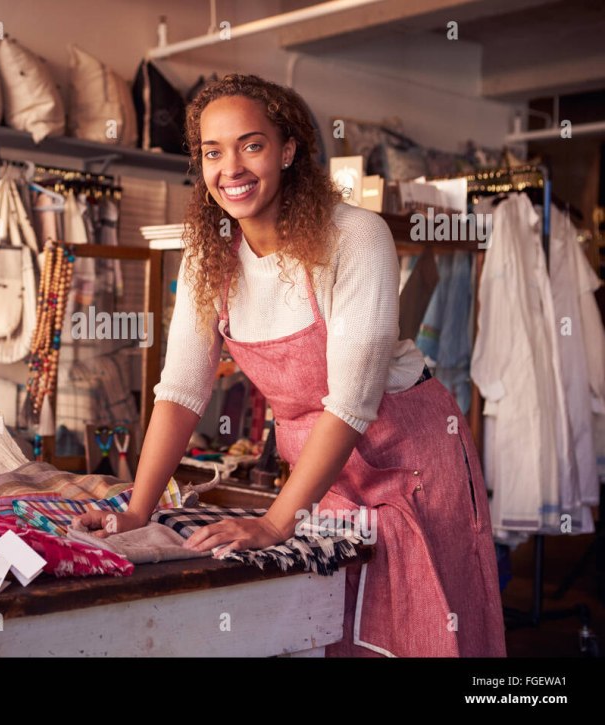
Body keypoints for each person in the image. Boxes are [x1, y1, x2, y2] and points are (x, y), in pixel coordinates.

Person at [75, 73, 505, 658]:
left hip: (412, 465)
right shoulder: (210, 258)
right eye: (212, 151)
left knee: (425, 630)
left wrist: (277, 524)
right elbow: (180, 390)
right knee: (336, 629)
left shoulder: (356, 237)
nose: (232, 168)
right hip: (324, 474)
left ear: (288, 150)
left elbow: (352, 403)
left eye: (251, 144)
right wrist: (136, 511)